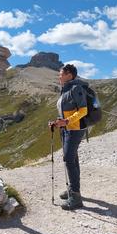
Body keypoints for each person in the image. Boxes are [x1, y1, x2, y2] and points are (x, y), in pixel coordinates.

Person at [49, 64, 88, 210]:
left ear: (69, 75)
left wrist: (66, 121)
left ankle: (76, 198)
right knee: (72, 158)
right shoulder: (65, 90)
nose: (59, 76)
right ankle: (73, 190)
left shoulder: (75, 88)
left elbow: (83, 110)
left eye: (61, 74)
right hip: (66, 128)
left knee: (68, 159)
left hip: (75, 129)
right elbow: (65, 112)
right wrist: (57, 122)